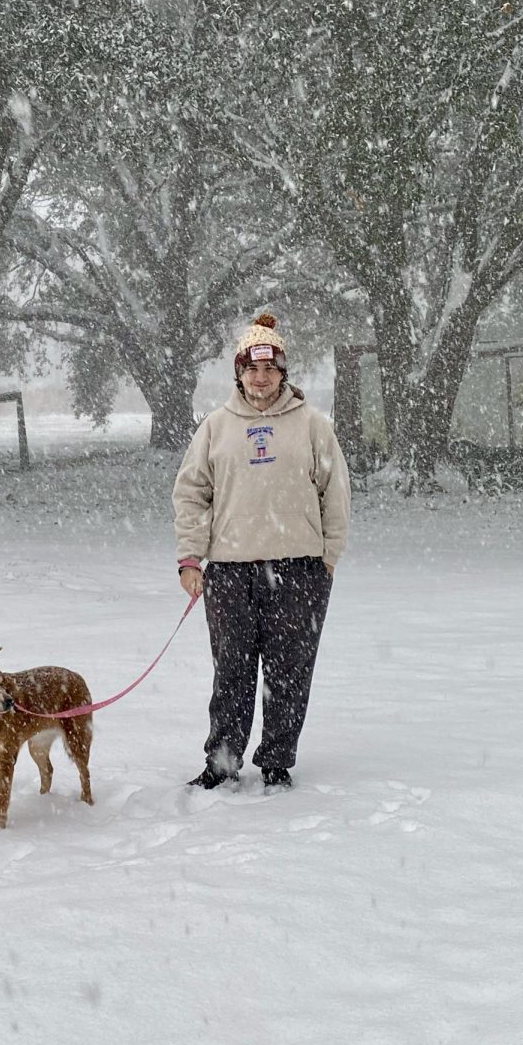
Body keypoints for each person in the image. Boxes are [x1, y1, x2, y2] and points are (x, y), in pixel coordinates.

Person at [172, 312, 350, 790]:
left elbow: (336, 494)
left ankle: (276, 761)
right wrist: (191, 557)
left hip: (300, 569)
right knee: (232, 671)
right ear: (239, 372)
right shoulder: (216, 426)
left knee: (289, 670)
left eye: (270, 368)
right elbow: (192, 493)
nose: (261, 377)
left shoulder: (313, 426)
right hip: (230, 571)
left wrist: (328, 556)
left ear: (283, 372)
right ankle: (224, 764)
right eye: (251, 368)